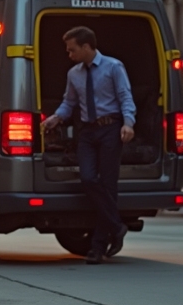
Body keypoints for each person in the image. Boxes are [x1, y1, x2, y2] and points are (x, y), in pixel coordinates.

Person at [41, 26, 135, 265]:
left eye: (72, 49)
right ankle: (116, 226)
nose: (68, 54)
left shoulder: (114, 67)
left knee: (108, 184)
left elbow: (125, 97)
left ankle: (97, 247)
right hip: (87, 131)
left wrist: (128, 124)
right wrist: (55, 118)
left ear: (86, 47)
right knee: (89, 178)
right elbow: (68, 103)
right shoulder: (74, 74)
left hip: (111, 129)